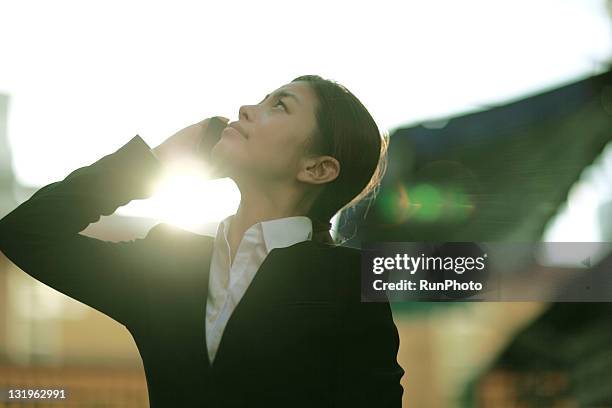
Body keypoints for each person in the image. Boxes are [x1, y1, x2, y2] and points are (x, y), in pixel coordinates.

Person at [0, 74, 405, 407]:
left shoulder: (349, 282)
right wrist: (153, 162)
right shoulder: (166, 263)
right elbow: (26, 233)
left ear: (317, 168)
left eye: (279, 106)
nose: (246, 109)